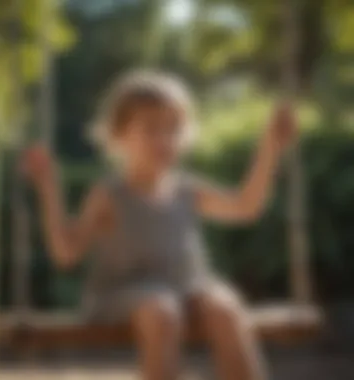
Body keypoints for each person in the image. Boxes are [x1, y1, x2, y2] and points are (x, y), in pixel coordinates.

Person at [23, 71, 296, 380]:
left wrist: (270, 149)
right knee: (162, 311)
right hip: (120, 295)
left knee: (226, 307)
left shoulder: (186, 190)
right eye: (151, 128)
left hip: (184, 287)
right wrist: (49, 189)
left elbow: (245, 207)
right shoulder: (110, 195)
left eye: (174, 128)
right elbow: (66, 253)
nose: (164, 139)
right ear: (119, 135)